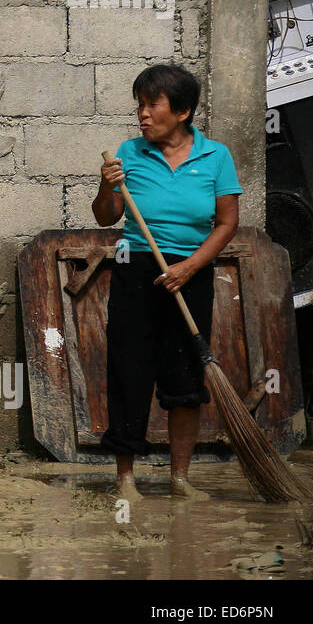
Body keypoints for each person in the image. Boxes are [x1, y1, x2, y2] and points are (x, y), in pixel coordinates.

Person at [91, 63, 241, 502]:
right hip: (137, 269)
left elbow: (227, 223)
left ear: (182, 111)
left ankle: (180, 478)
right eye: (139, 105)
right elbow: (106, 217)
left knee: (185, 376)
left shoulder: (216, 157)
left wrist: (190, 267)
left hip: (190, 274)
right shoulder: (129, 153)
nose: (142, 114)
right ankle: (125, 479)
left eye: (151, 105)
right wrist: (106, 187)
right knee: (129, 370)